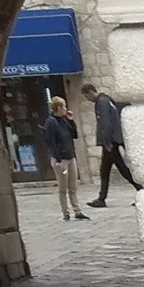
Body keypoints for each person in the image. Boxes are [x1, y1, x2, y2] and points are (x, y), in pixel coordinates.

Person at [81, 82, 141, 206]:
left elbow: (106, 123)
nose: (88, 99)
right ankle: (101, 198)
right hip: (111, 140)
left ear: (91, 92)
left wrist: (107, 141)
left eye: (86, 96)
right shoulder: (106, 100)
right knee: (105, 169)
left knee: (122, 168)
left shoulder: (101, 102)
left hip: (110, 141)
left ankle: (140, 189)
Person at [42, 93, 89, 221]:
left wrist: (71, 120)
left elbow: (74, 135)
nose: (66, 109)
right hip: (60, 159)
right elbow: (50, 141)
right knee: (63, 187)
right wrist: (58, 159)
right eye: (63, 107)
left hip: (70, 157)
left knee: (73, 186)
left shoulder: (64, 120)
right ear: (58, 108)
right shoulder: (51, 122)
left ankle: (77, 210)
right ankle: (65, 211)